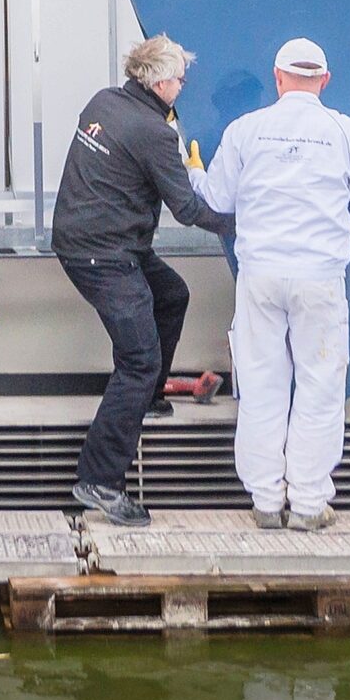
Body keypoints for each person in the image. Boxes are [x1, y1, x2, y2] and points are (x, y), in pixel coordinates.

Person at [192, 37, 350, 533]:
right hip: (320, 277)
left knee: (261, 386)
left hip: (259, 274)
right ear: (324, 81)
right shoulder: (347, 132)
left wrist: (193, 172)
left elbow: (217, 200)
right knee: (320, 387)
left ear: (279, 78)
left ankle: (265, 500)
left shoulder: (246, 129)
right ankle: (307, 504)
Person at [51, 34, 237, 528]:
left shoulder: (104, 102)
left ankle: (148, 398)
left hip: (92, 238)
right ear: (158, 82)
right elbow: (189, 208)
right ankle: (100, 480)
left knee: (172, 294)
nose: (184, 85)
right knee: (137, 360)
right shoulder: (154, 133)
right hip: (104, 254)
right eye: (179, 78)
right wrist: (246, 218)